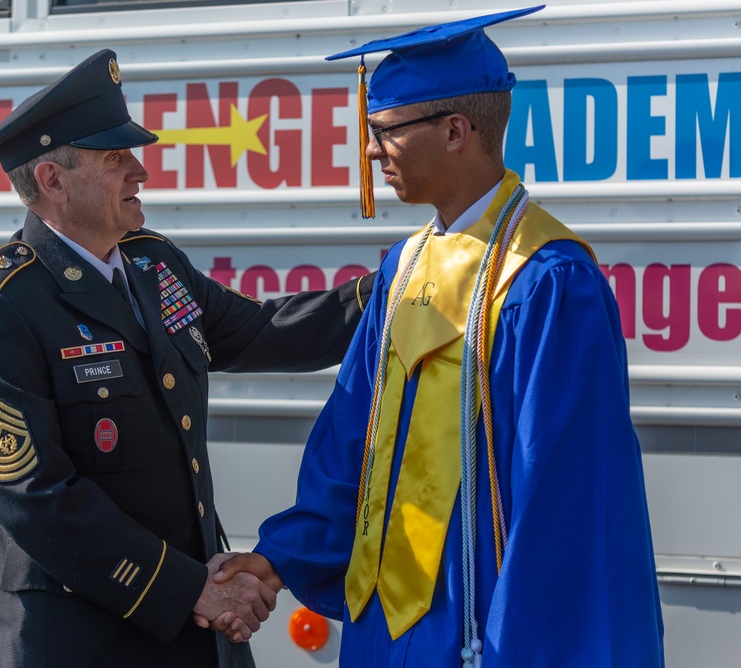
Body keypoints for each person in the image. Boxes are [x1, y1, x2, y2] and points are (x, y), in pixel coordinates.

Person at [214, 6, 665, 666]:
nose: (371, 150)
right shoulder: (404, 268)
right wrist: (277, 558)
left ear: (456, 130)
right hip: (381, 632)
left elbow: (566, 508)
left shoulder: (547, 283)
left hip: (481, 631)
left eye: (386, 131)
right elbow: (354, 446)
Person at [0, 48, 373, 668]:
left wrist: (389, 291)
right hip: (80, 640)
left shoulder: (152, 263)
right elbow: (38, 498)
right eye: (115, 158)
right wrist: (189, 586)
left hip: (184, 629)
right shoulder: (0, 308)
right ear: (52, 181)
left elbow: (261, 331)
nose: (139, 171)